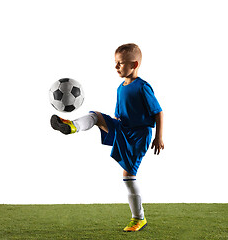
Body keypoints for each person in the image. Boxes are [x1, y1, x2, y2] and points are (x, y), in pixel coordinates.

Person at [50, 43, 164, 232]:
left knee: (128, 176)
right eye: (116, 63)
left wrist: (158, 137)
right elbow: (119, 114)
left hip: (139, 136)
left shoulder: (143, 87)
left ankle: (139, 218)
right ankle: (72, 126)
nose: (116, 67)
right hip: (123, 129)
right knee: (96, 115)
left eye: (120, 63)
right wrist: (112, 122)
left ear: (134, 65)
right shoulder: (120, 88)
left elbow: (158, 112)